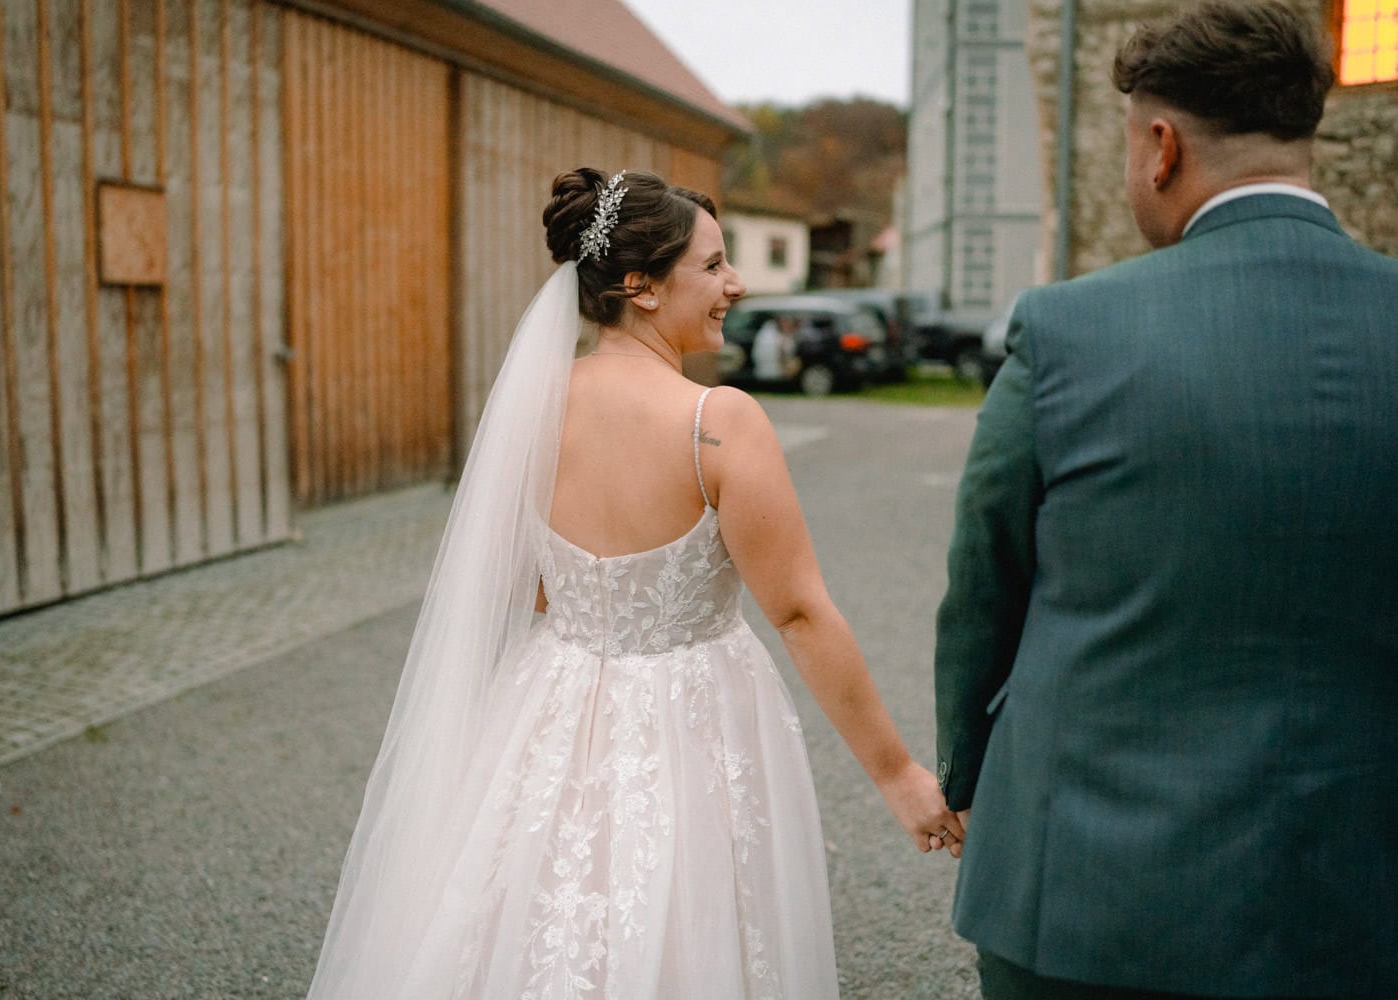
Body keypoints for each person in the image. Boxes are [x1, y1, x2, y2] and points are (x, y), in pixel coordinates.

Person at [307, 168, 962, 998]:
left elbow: (510, 574)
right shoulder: (718, 421)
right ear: (641, 286)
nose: (736, 283)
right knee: (683, 918)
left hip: (552, 698)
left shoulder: (533, 408)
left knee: (543, 914)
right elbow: (796, 612)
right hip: (695, 712)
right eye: (714, 265)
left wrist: (596, 606)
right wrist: (899, 775)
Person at [933, 2, 1398, 997]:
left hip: (1086, 891)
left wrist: (968, 777)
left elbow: (985, 583)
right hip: (1359, 894)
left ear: (1160, 145)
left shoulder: (1067, 331)